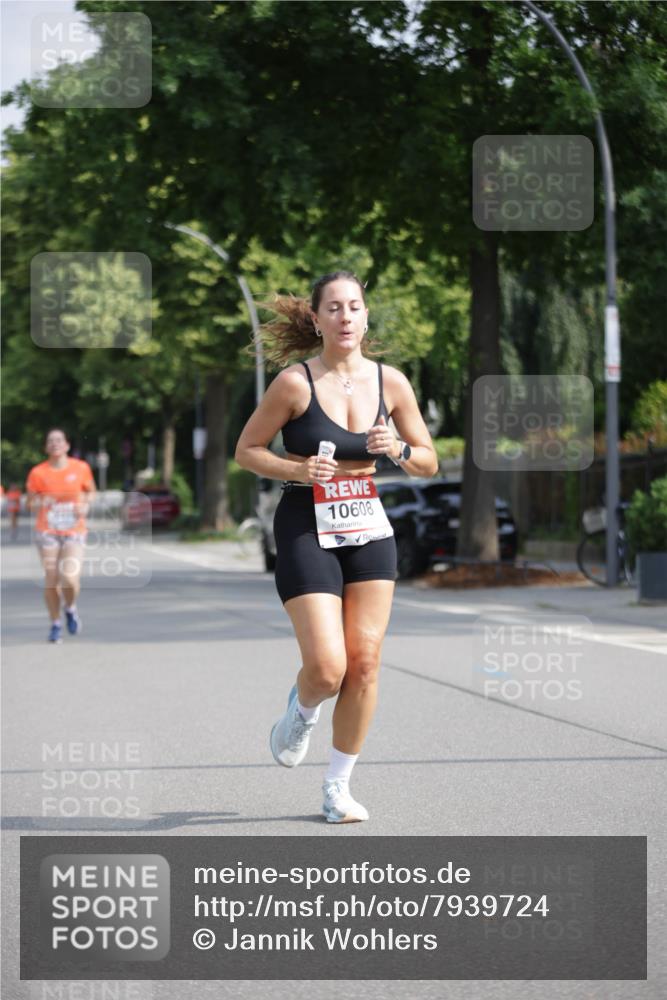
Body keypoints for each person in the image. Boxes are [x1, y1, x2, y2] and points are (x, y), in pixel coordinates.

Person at [235, 271, 438, 823]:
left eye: (355, 307)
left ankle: (337, 788)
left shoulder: (391, 382)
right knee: (328, 668)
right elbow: (248, 450)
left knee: (365, 663)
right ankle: (301, 711)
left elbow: (428, 460)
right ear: (318, 319)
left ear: (365, 317)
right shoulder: (294, 384)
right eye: (334, 308)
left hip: (367, 521)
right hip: (306, 520)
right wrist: (300, 467)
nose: (346, 317)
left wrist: (396, 447)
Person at [26, 428, 96, 643]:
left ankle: (70, 607)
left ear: (66, 445)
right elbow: (30, 504)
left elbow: (91, 492)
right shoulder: (38, 473)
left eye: (59, 440)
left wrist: (84, 505)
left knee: (70, 578)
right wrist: (39, 503)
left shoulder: (81, 467)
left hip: (74, 530)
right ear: (46, 447)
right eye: (50, 441)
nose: (55, 443)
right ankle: (55, 623)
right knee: (51, 579)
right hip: (47, 531)